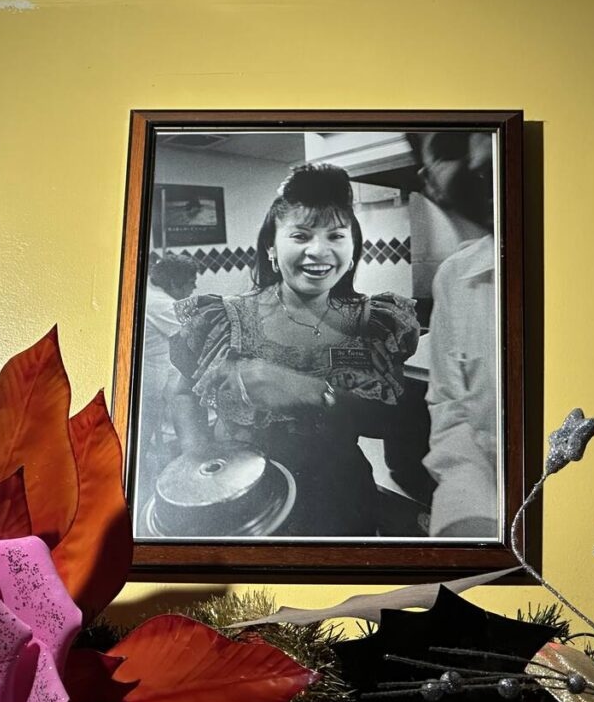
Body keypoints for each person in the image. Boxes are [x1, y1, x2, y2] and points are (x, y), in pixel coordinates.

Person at [169, 163, 420, 536]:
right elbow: (180, 392)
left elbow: (387, 422)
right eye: (300, 236)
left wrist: (312, 393)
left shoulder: (375, 322)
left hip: (342, 500)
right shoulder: (224, 319)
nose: (318, 252)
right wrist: (199, 460)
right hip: (244, 502)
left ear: (352, 250)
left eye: (336, 236)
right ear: (272, 246)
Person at [408, 131, 499, 537]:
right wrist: (465, 524)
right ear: (431, 185)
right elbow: (453, 414)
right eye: (448, 147)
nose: (479, 156)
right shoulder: (454, 280)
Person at [135, 252, 199, 509]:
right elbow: (193, 335)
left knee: (146, 443)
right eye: (191, 282)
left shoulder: (155, 298)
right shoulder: (161, 303)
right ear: (174, 284)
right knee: (141, 446)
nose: (194, 286)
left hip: (154, 381)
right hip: (151, 385)